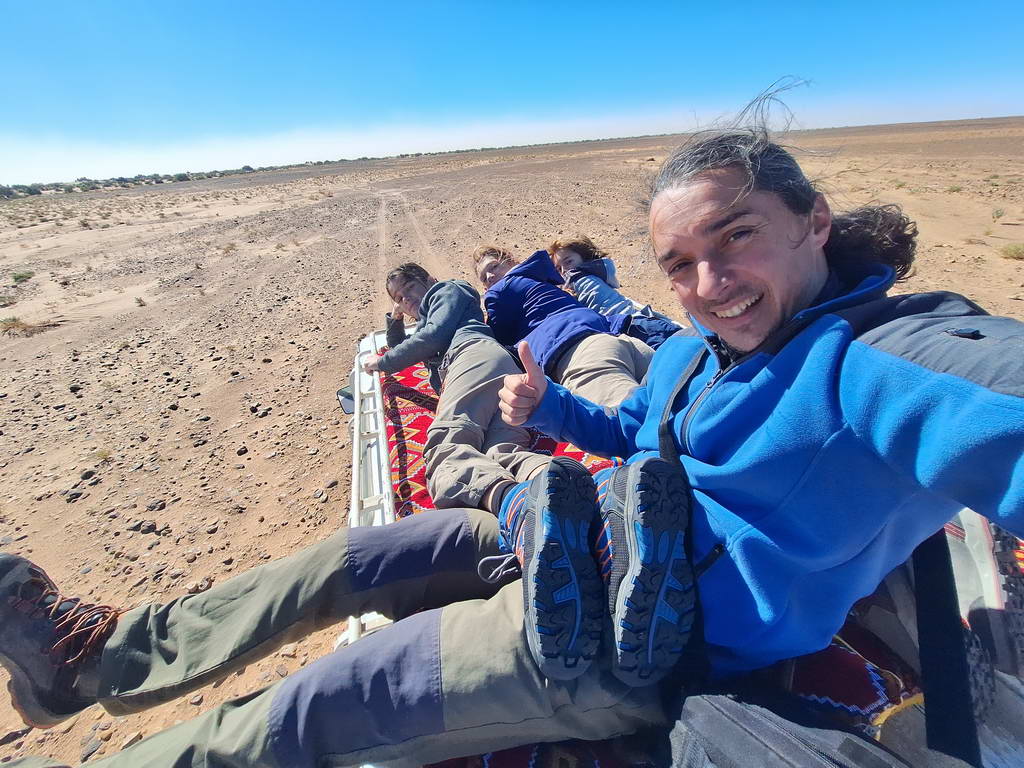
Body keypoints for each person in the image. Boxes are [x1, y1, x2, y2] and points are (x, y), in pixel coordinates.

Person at [4, 127, 1023, 768]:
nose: (709, 285)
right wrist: (554, 410)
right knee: (352, 560)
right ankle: (89, 664)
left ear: (812, 221)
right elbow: (634, 430)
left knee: (329, 700)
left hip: (635, 646)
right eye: (680, 263)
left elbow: (995, 400)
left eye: (736, 238)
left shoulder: (879, 361)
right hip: (586, 544)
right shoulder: (691, 355)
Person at [360, 262, 550, 513]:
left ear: (429, 279)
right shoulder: (427, 320)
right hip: (493, 374)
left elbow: (431, 338)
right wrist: (396, 315)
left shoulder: (448, 290)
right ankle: (551, 481)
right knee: (502, 451)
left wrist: (382, 363)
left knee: (447, 449)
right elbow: (402, 345)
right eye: (399, 297)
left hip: (472, 357)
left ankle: (516, 511)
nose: (406, 299)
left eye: (409, 287)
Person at [473, 245, 654, 407]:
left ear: (511, 261)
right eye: (483, 277)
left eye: (494, 266)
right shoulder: (545, 282)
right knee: (677, 400)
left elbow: (497, 342)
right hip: (619, 338)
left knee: (629, 428)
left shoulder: (499, 291)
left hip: (576, 354)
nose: (489, 276)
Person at [548, 234, 682, 349]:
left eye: (568, 261)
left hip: (630, 327)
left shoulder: (576, 277)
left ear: (584, 257)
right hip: (639, 320)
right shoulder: (600, 274)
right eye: (559, 269)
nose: (565, 271)